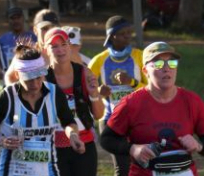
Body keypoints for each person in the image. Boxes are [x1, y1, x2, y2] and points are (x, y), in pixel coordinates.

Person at [0, 42, 86, 176]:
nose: (35, 84)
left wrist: (73, 135)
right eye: (29, 80)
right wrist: (1, 140)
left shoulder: (54, 93)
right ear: (18, 76)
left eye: (38, 78)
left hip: (48, 170)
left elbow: (68, 122)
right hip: (14, 170)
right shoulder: (7, 96)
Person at [101, 42, 204, 176]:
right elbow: (107, 139)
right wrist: (133, 149)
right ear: (145, 71)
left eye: (172, 63)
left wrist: (199, 146)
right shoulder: (131, 103)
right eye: (158, 64)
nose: (167, 69)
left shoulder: (192, 101)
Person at [88, 15, 147, 176]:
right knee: (122, 168)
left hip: (138, 119)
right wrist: (98, 91)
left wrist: (133, 83)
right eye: (123, 33)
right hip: (110, 119)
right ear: (112, 36)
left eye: (129, 32)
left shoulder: (140, 56)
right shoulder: (99, 60)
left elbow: (152, 88)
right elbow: (86, 87)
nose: (128, 36)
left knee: (142, 166)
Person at [43, 27, 103, 176]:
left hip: (84, 143)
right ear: (46, 49)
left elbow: (98, 114)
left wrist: (94, 94)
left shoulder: (84, 72)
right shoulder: (42, 78)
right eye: (54, 46)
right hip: (53, 147)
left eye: (64, 45)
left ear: (70, 46)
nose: (60, 50)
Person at [0, 6, 37, 80]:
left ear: (23, 18)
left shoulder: (33, 37)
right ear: (8, 20)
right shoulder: (1, 40)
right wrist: (0, 71)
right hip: (9, 80)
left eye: (18, 17)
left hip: (30, 79)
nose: (16, 21)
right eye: (12, 18)